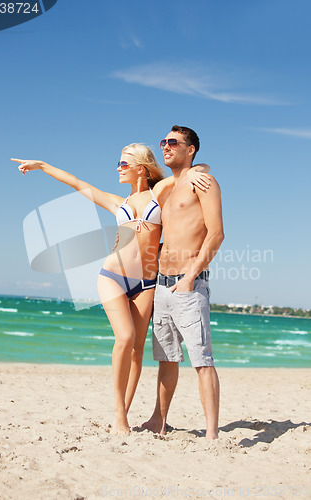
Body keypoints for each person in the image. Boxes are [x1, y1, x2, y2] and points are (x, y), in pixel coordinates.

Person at [12, 144, 211, 435]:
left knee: (137, 351)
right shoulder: (117, 203)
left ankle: (125, 414)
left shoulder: (160, 193)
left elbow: (199, 170)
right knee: (125, 337)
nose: (118, 168)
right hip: (113, 276)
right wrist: (42, 165)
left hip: (146, 282)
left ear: (140, 169)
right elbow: (79, 184)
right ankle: (119, 415)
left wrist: (196, 172)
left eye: (123, 163)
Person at [142, 125, 224, 441]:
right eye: (163, 141)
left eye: (173, 142)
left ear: (190, 149)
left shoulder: (203, 182)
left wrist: (190, 276)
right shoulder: (167, 188)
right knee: (166, 359)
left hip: (188, 285)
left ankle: (212, 434)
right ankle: (158, 421)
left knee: (202, 361)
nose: (166, 146)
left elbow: (216, 234)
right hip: (161, 286)